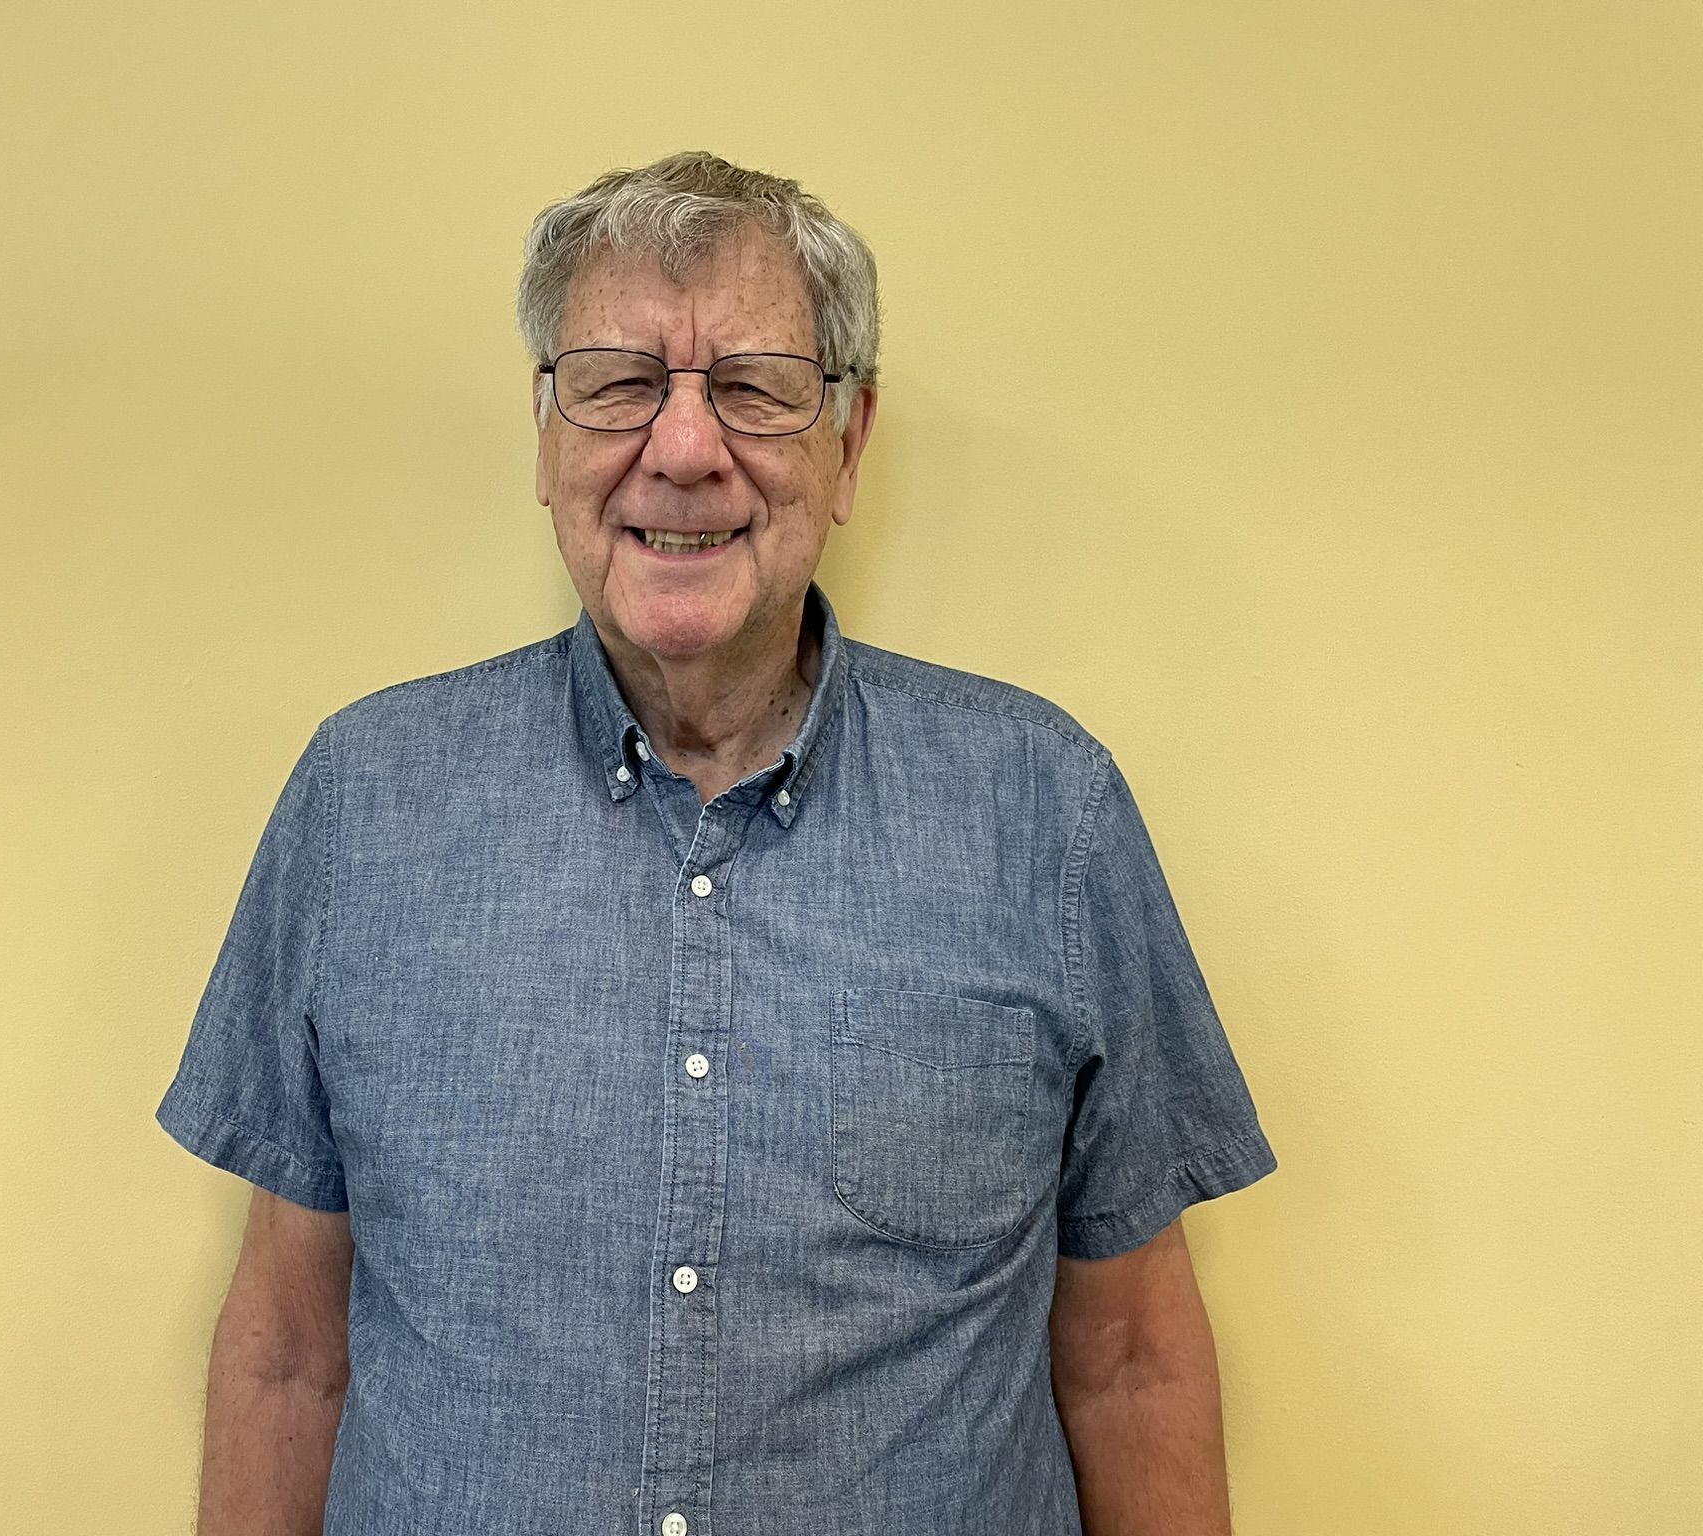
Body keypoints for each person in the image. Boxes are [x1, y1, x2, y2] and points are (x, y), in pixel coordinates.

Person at [156, 150, 1279, 1536]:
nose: (684, 449)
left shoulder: (1049, 814)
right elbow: (287, 1348)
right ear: (546, 433)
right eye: (619, 381)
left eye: (753, 386)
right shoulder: (363, 804)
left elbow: (1129, 1359)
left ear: (848, 445)